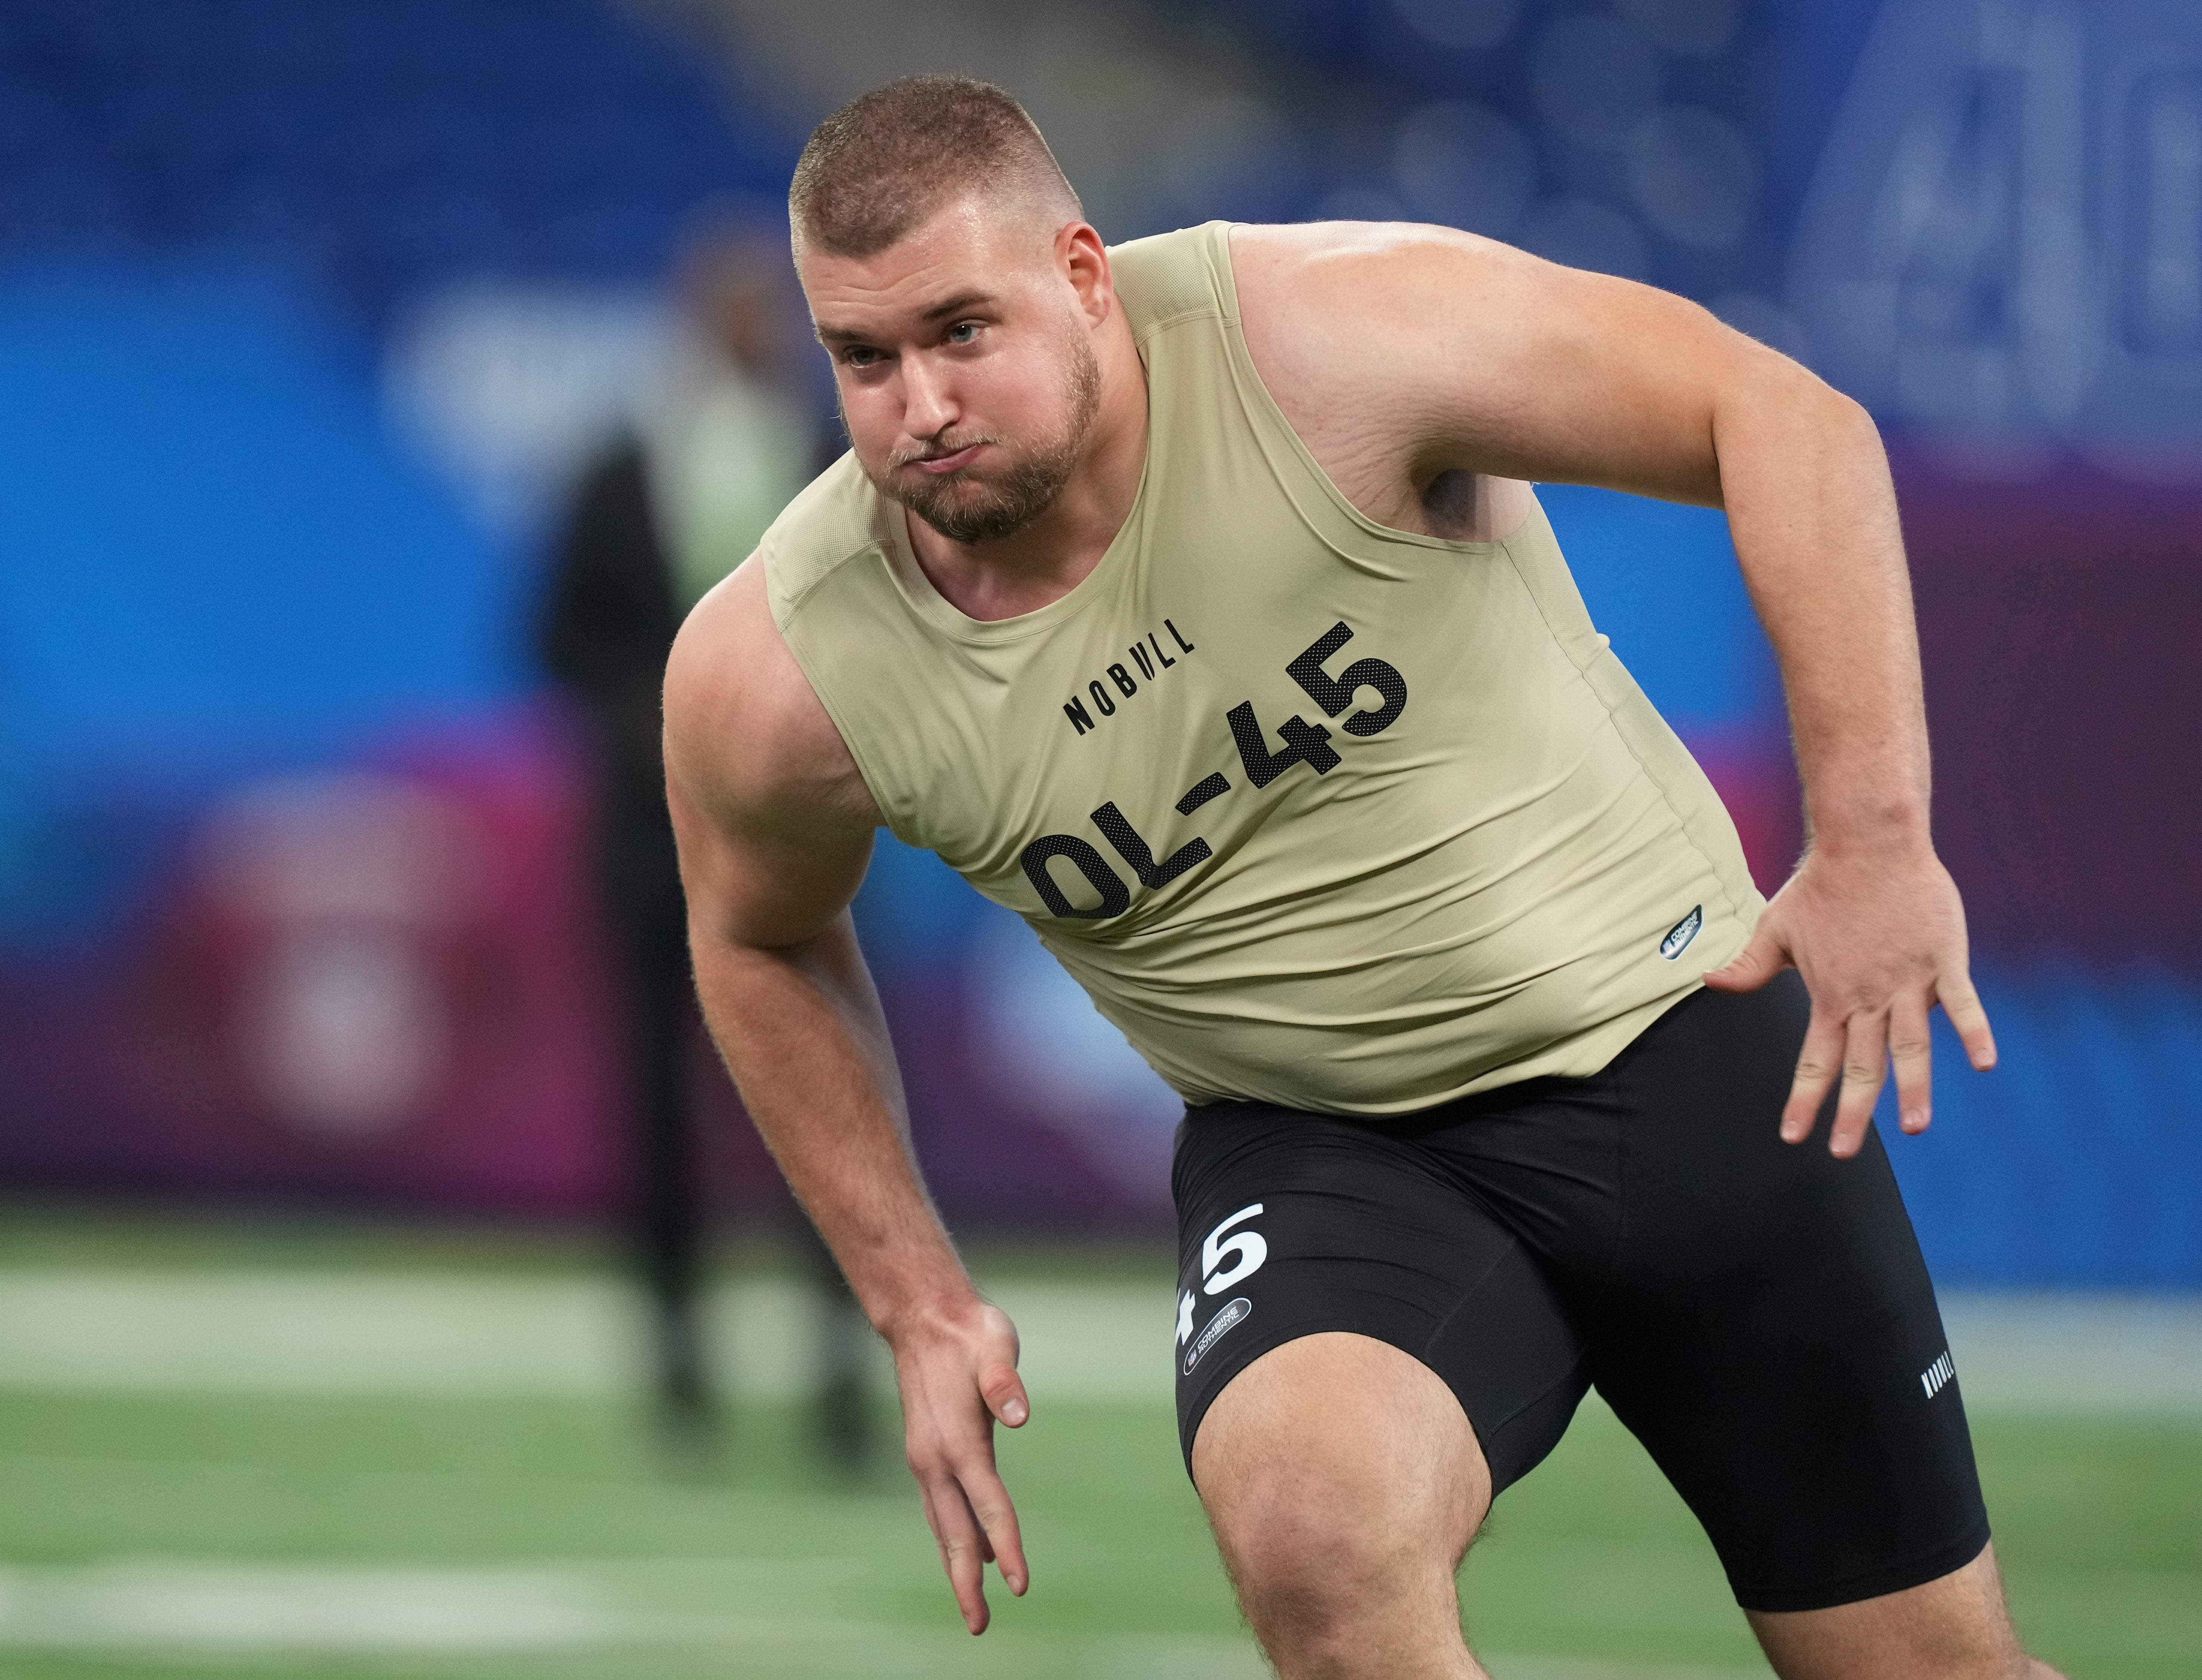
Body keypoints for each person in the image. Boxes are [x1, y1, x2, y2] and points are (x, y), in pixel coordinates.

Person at [664, 74, 2064, 1680]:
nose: (918, 403)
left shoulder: (1328, 339)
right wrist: (913, 1298)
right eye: (863, 357)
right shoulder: (782, 670)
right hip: (1328, 1154)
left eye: (960, 330)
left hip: (1677, 1043)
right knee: (1314, 1537)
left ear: (1080, 272)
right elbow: (756, 938)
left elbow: (1783, 420)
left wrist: (1874, 841)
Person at [541, 217, 874, 1469]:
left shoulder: (827, 457)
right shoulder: (621, 468)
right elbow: (556, 638)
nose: (757, 333)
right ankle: (682, 1369)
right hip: (650, 847)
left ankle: (846, 1364)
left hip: (810, 837)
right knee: (660, 1116)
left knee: (830, 1108)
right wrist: (649, 715)